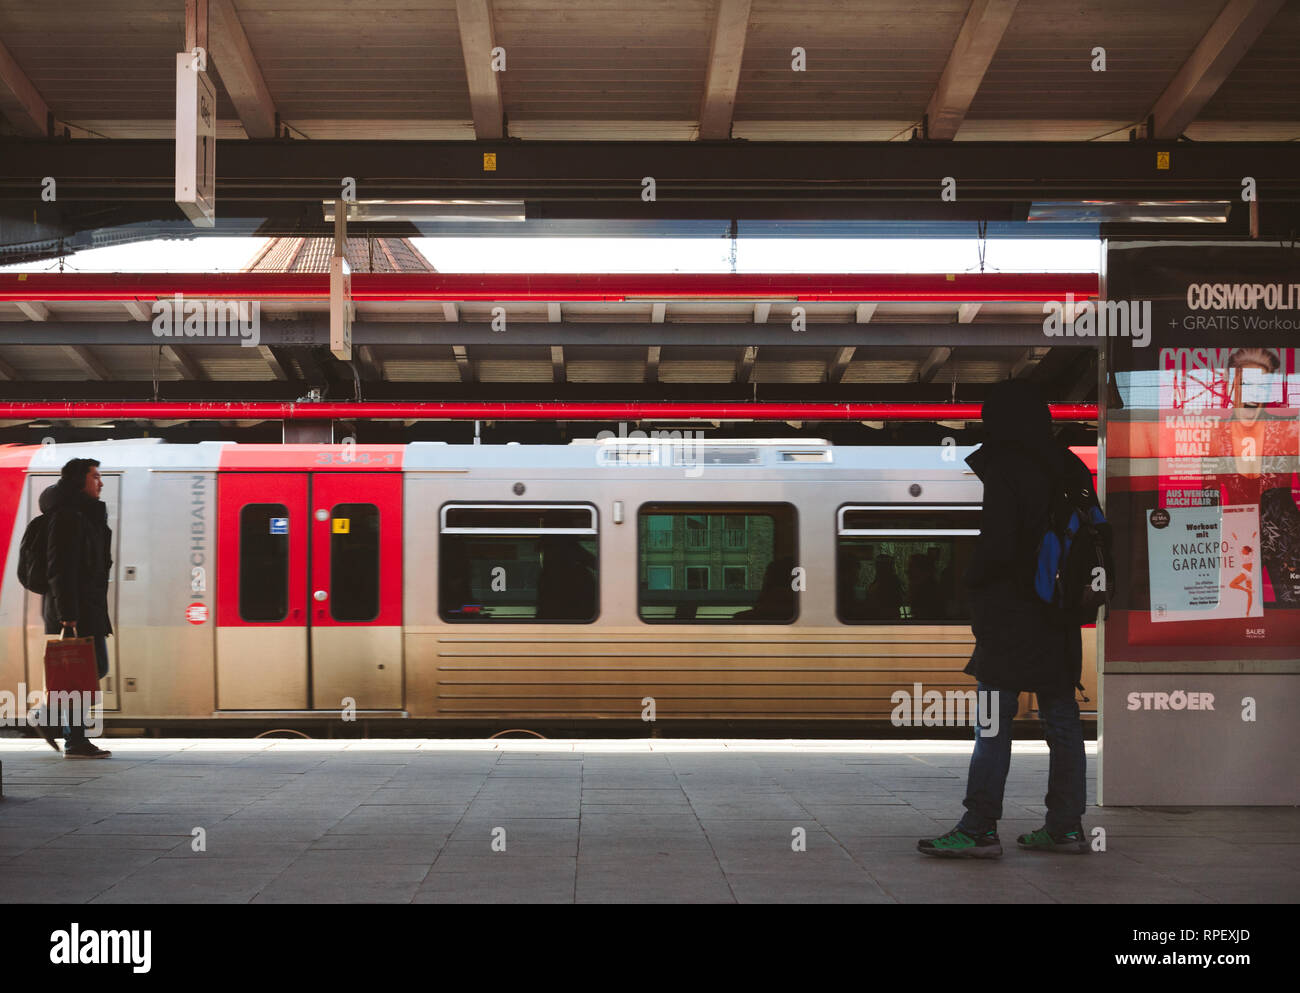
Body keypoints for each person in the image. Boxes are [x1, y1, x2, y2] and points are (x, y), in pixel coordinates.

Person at [918, 380, 1096, 858]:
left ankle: (979, 827)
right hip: (1060, 614)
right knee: (1062, 718)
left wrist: (970, 586)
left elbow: (997, 546)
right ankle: (1066, 826)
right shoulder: (1070, 464)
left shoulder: (1008, 467)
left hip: (1013, 615)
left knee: (994, 720)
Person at [34, 458, 114, 759]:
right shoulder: (67, 517)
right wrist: (68, 614)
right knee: (88, 669)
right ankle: (69, 733)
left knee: (89, 669)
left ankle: (72, 736)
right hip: (75, 609)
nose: (101, 483)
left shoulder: (85, 514)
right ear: (80, 480)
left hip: (87, 606)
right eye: (95, 477)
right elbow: (60, 569)